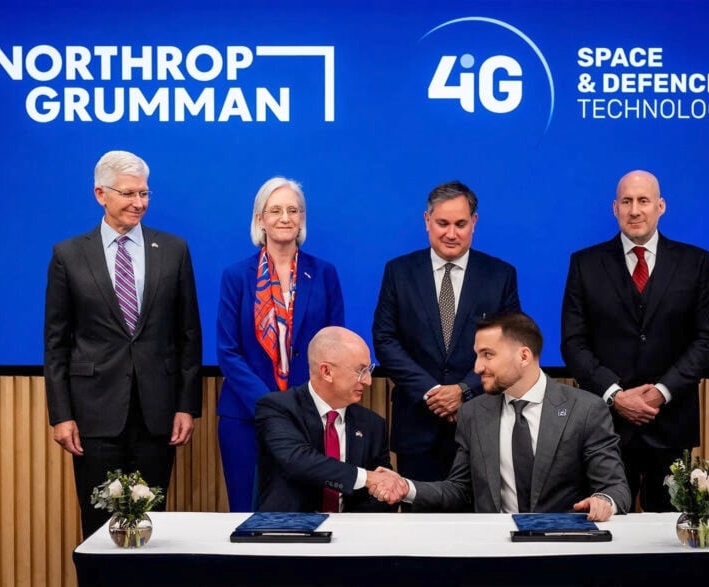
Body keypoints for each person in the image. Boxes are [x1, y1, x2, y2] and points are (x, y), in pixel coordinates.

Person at [44, 150, 202, 538]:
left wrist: (186, 406)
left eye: (144, 193)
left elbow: (188, 335)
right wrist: (61, 415)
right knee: (99, 526)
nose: (139, 203)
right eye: (129, 193)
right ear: (100, 194)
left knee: (151, 524)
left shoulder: (174, 250)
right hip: (94, 413)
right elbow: (56, 343)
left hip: (157, 413)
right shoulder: (68, 255)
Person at [560, 170, 709, 512]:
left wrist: (661, 391)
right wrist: (615, 395)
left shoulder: (694, 262)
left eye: (643, 201)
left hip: (671, 423)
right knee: (603, 525)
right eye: (627, 202)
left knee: (667, 533)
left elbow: (706, 340)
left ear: (660, 206)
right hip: (604, 426)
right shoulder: (585, 264)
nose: (635, 210)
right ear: (615, 208)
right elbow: (573, 343)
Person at [373, 312, 629, 520]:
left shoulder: (585, 409)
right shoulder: (473, 413)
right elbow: (459, 490)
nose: (477, 367)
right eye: (477, 355)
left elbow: (615, 487)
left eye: (487, 354)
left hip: (562, 546)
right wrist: (408, 488)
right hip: (495, 548)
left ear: (524, 356)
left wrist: (603, 501)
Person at [372, 181, 521, 485]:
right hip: (417, 425)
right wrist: (431, 392)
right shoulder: (399, 272)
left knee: (481, 513)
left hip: (480, 422)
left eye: (460, 224)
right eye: (442, 223)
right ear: (427, 220)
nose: (451, 234)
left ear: (474, 223)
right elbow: (385, 340)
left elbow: (509, 346)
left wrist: (464, 390)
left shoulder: (500, 275)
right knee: (419, 512)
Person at [217, 177, 344, 511]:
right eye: (275, 210)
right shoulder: (236, 276)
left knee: (305, 514)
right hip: (245, 418)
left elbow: (336, 346)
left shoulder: (325, 274)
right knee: (246, 514)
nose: (285, 217)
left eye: (293, 210)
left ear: (302, 218)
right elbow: (227, 351)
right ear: (260, 219)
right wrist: (269, 405)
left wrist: (299, 406)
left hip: (308, 417)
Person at [255, 327, 400, 512]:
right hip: (289, 526)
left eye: (369, 370)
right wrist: (366, 478)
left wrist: (387, 492)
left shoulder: (373, 424)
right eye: (361, 370)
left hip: (353, 527)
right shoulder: (278, 408)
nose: (368, 381)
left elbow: (381, 490)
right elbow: (298, 460)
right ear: (326, 371)